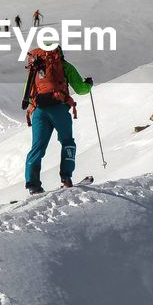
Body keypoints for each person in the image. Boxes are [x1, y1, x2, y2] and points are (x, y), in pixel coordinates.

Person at [21, 44, 93, 194]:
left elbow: (27, 93)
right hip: (59, 108)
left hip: (39, 110)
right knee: (67, 142)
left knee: (37, 147)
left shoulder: (36, 67)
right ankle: (66, 178)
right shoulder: (64, 65)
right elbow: (80, 89)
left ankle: (33, 185)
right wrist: (89, 85)